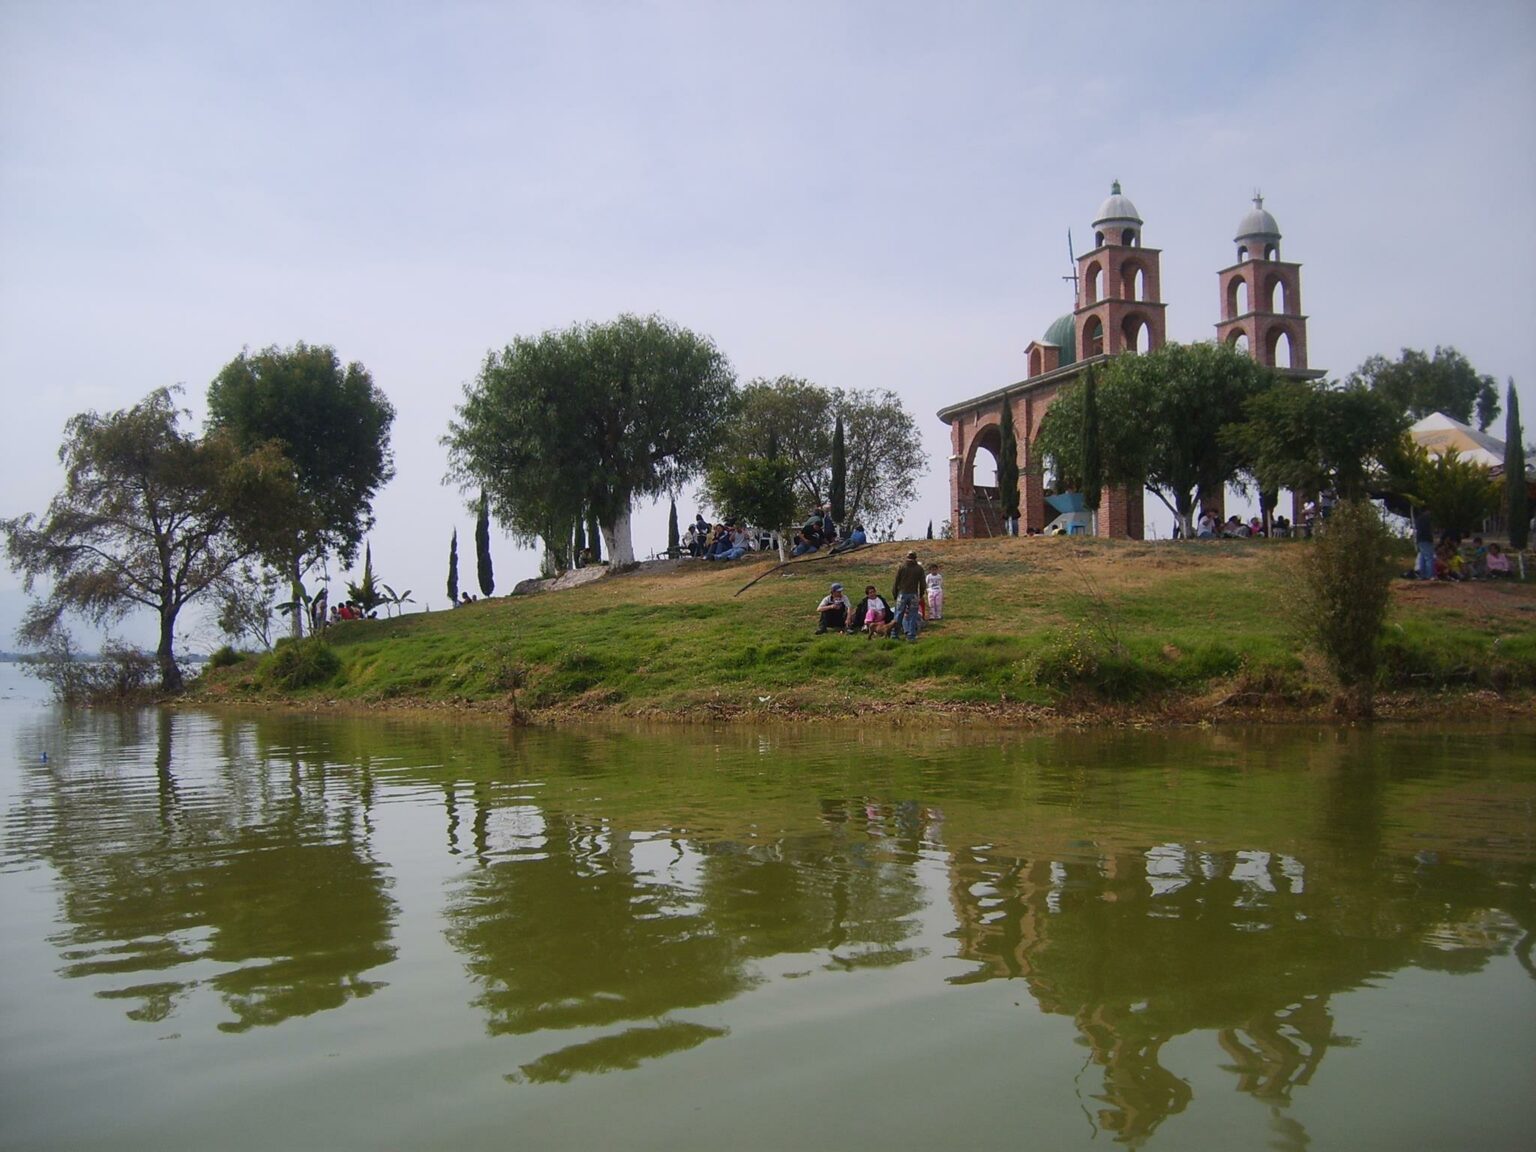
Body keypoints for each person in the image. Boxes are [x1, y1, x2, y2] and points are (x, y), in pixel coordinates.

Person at [891, 550, 926, 641]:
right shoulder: (919, 568)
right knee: (912, 615)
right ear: (915, 558)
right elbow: (922, 583)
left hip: (902, 594)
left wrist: (895, 593)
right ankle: (911, 636)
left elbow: (896, 582)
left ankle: (894, 634)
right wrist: (921, 594)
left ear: (907, 557)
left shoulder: (902, 567)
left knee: (898, 614)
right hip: (914, 594)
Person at [1413, 506, 1435, 581]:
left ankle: (1422, 575)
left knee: (1422, 557)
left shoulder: (1418, 519)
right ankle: (1429, 575)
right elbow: (1427, 530)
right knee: (1429, 557)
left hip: (1420, 539)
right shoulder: (1426, 519)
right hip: (1426, 539)